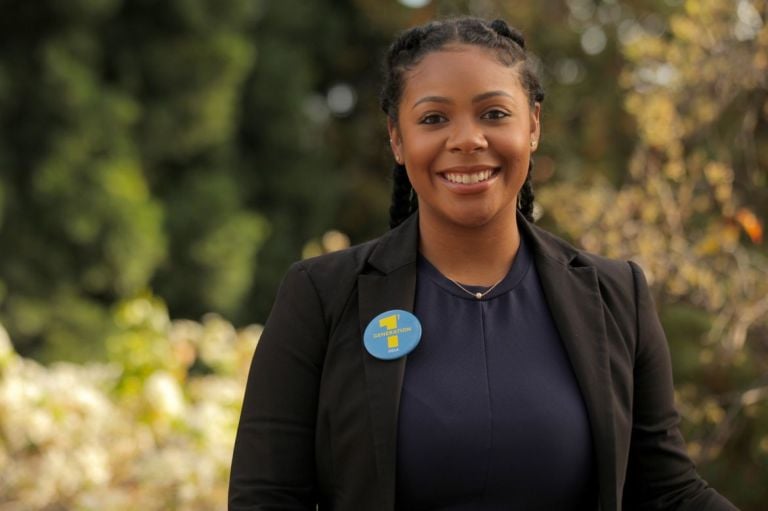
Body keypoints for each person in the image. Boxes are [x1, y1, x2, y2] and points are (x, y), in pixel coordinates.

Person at [229, 16, 738, 511]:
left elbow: (668, 492)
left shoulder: (615, 294)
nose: (467, 140)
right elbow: (266, 497)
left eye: (494, 114)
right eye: (433, 118)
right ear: (397, 138)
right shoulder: (322, 296)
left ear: (533, 125)